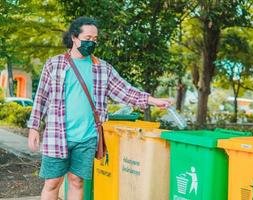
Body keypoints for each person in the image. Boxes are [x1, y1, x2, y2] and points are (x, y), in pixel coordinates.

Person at [27, 16, 173, 200]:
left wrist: (153, 100)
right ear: (74, 37)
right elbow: (41, 97)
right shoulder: (54, 64)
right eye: (87, 38)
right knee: (52, 183)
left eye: (95, 39)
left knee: (77, 181)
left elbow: (126, 91)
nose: (91, 43)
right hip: (57, 134)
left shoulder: (102, 68)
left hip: (87, 137)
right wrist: (34, 127)